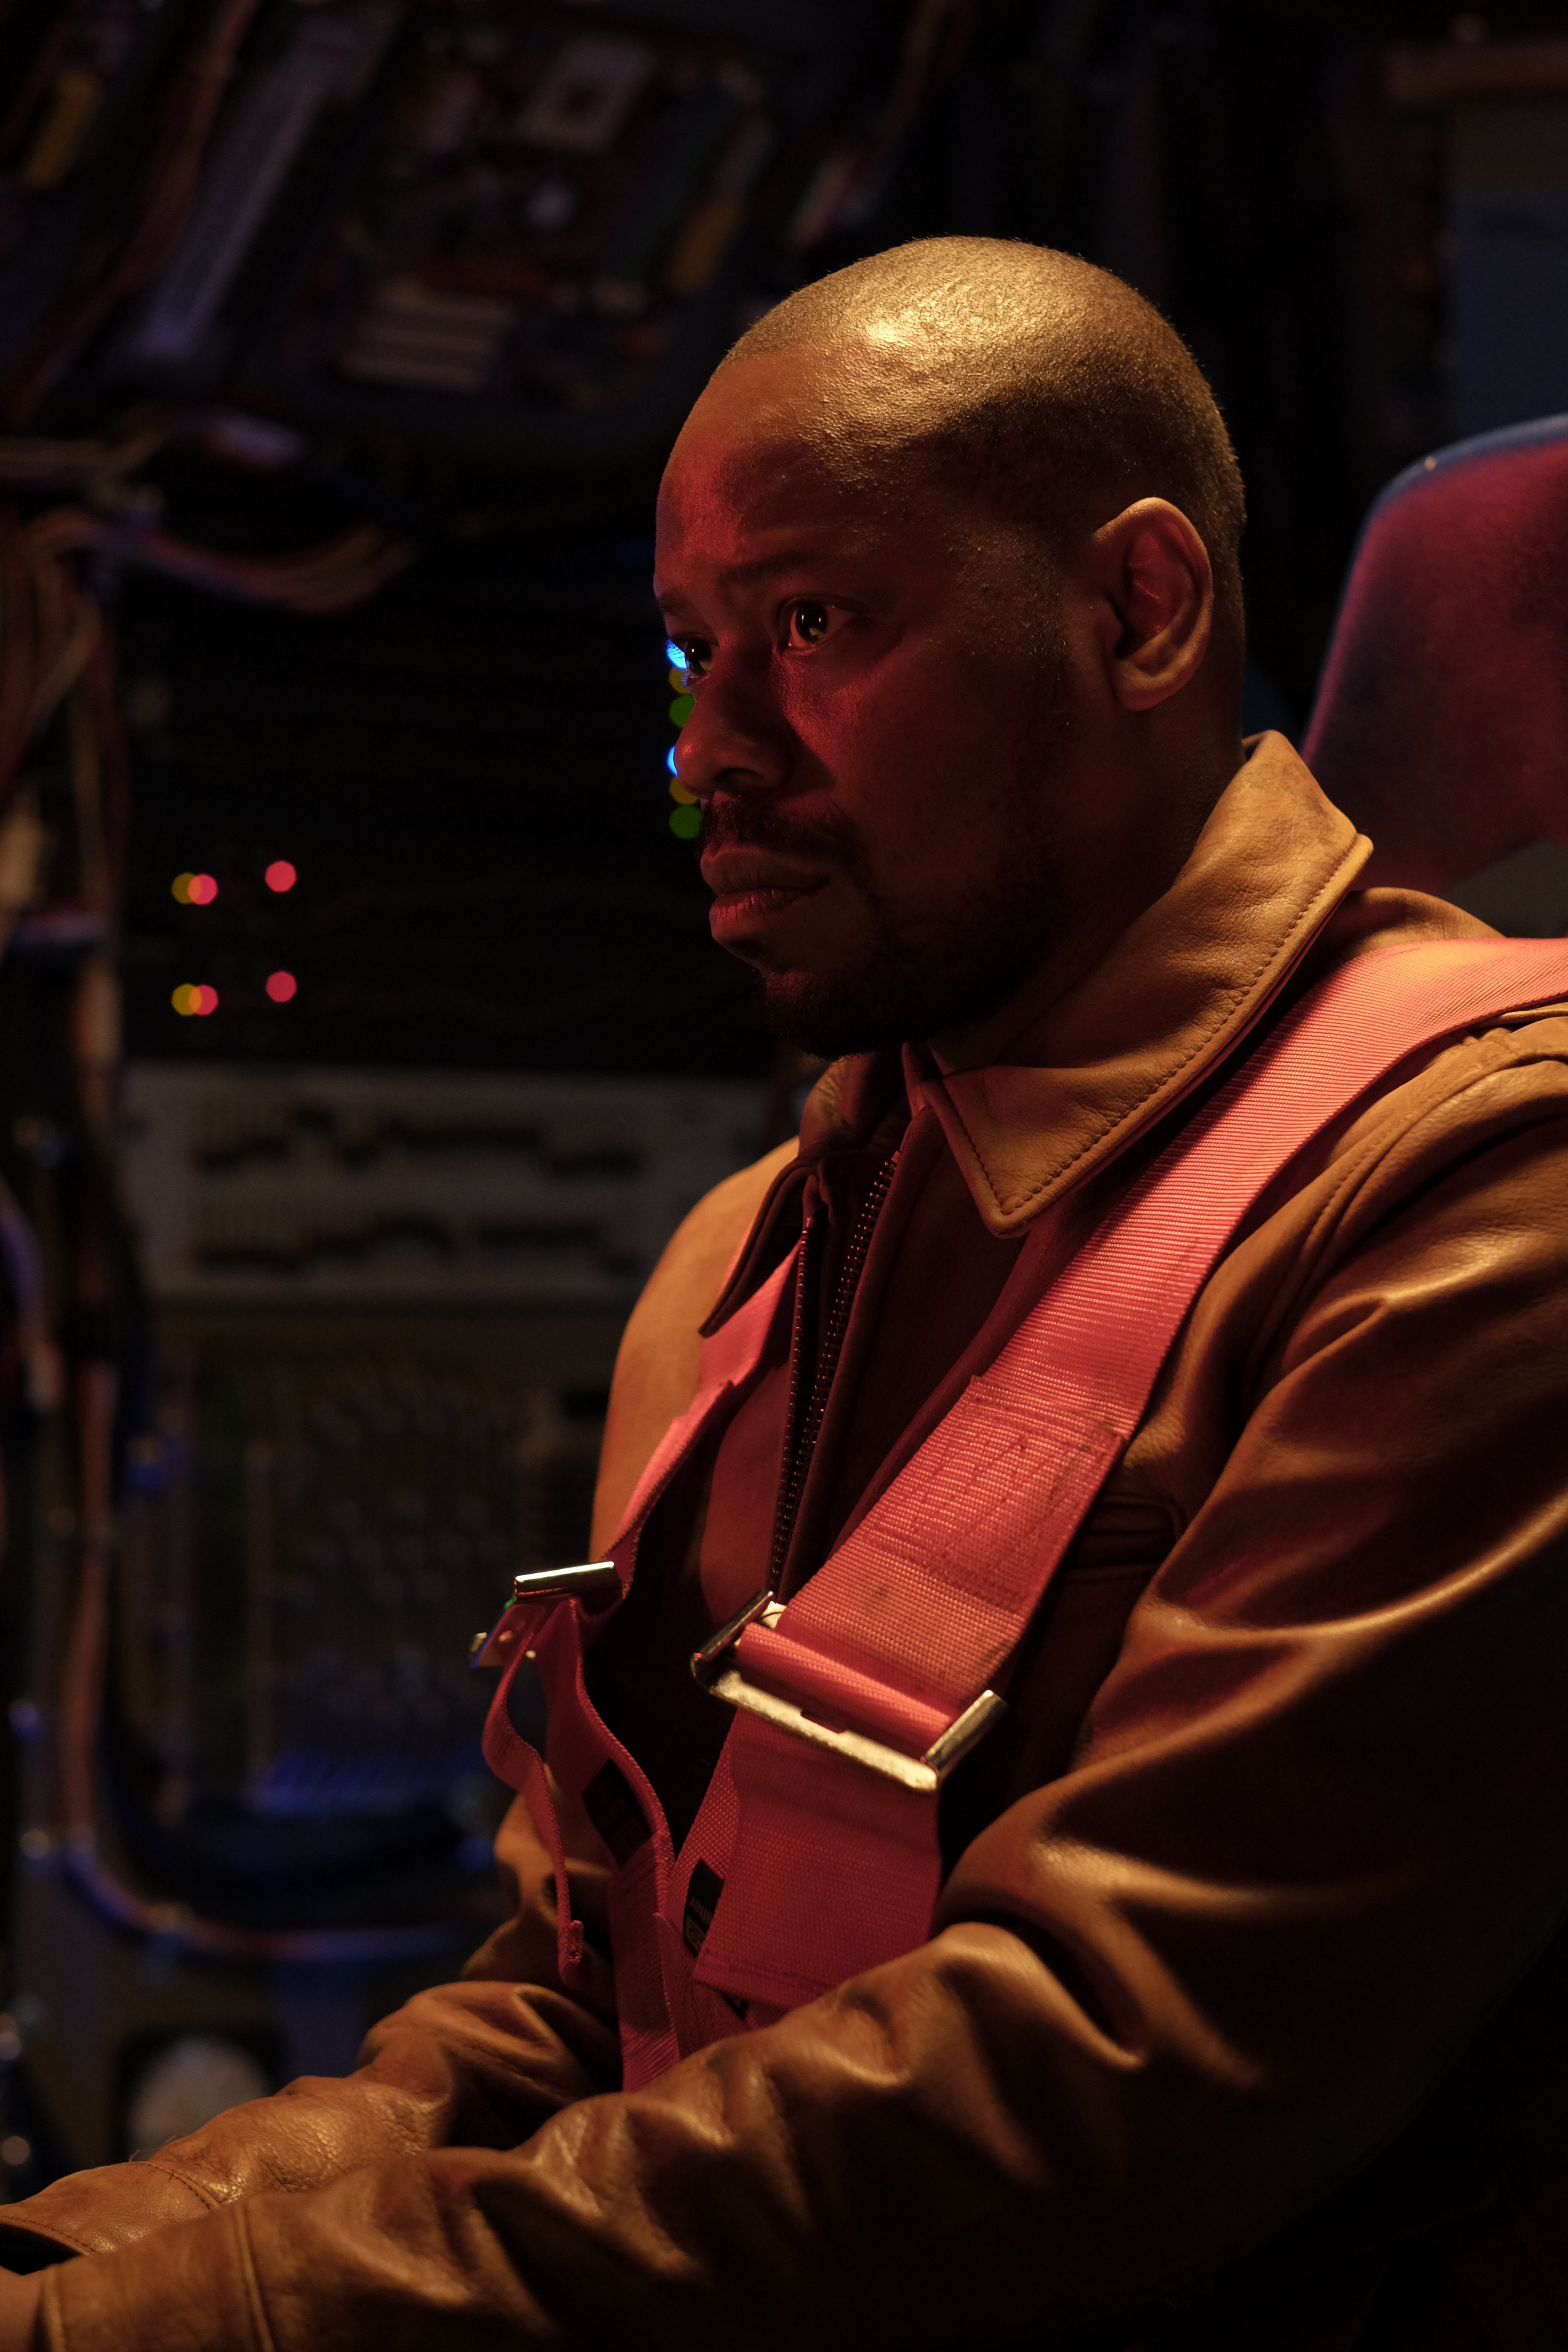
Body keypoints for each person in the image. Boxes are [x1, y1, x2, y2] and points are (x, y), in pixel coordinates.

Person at [1, 235, 1568, 2352]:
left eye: (815, 625)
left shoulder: (1487, 1182)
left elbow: (1106, 2075)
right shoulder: (770, 1241)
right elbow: (593, 2002)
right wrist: (80, 2272)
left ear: (1139, 610)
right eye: (690, 652)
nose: (704, 757)